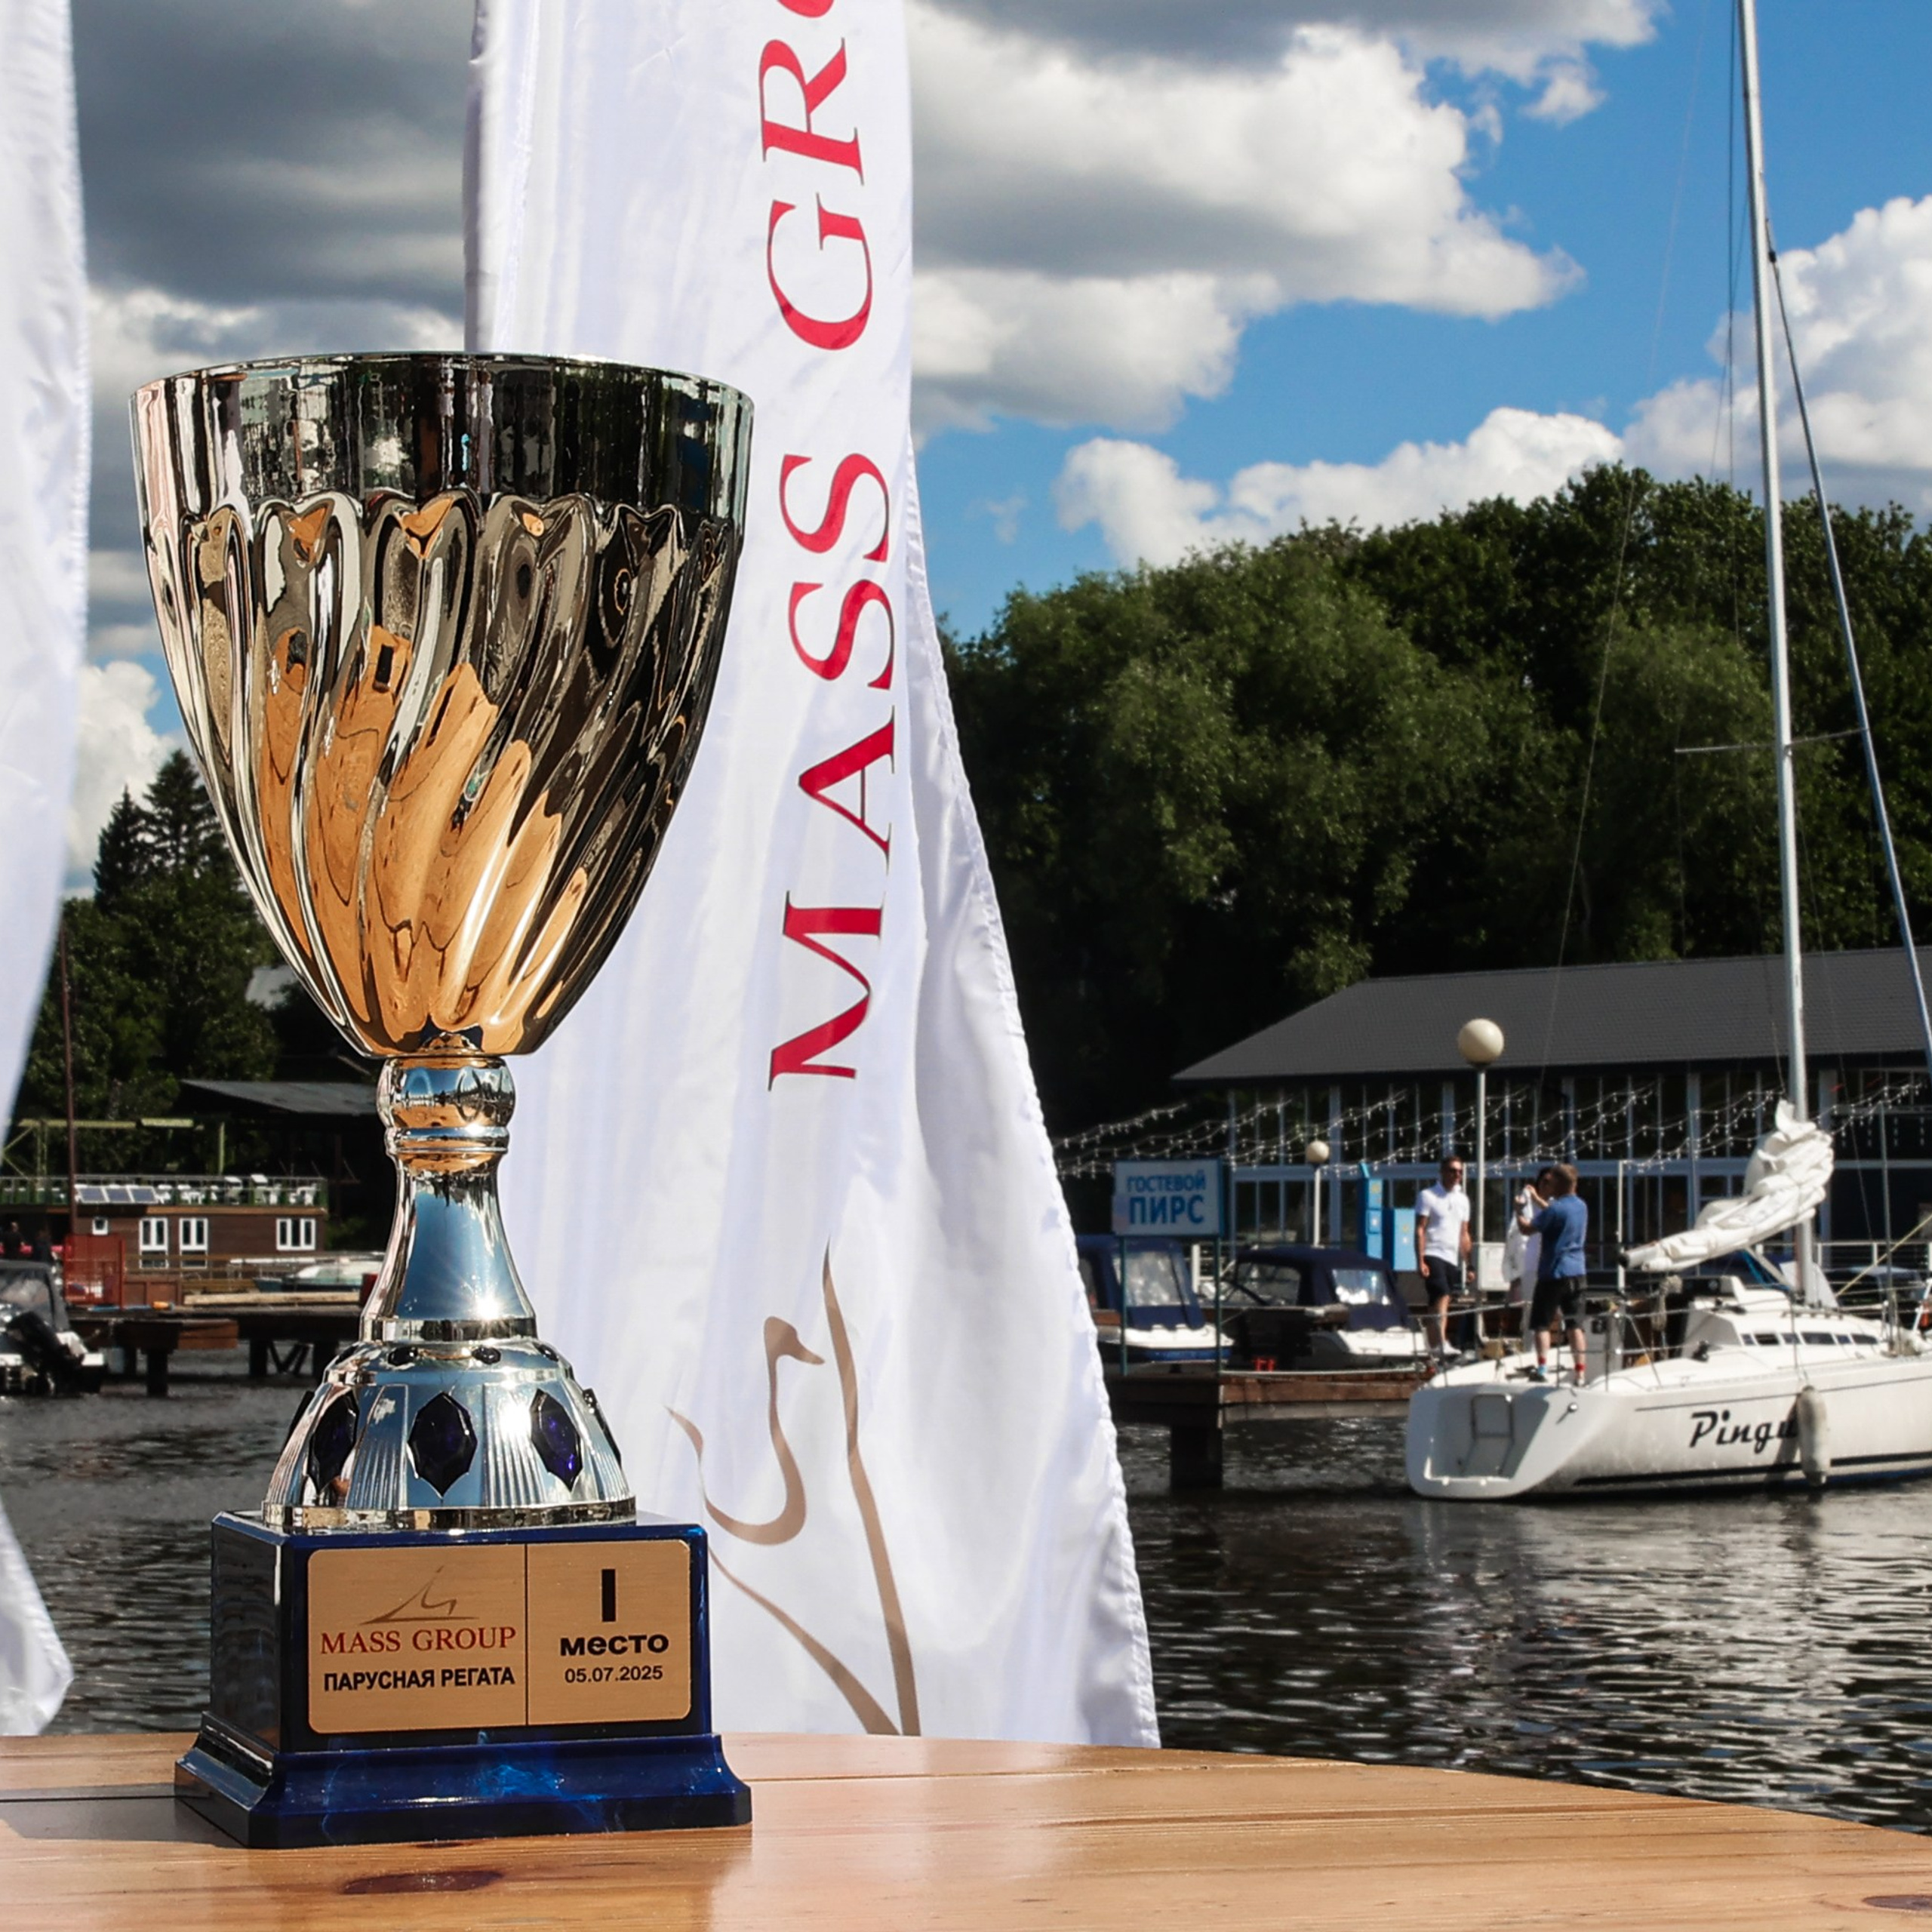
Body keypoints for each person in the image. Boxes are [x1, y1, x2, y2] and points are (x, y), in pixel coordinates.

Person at [1521, 1162, 1589, 1383]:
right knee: (1574, 1325)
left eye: (1550, 1182)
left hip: (1553, 1272)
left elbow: (1527, 1229)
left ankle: (1542, 1369)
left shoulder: (1555, 1209)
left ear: (1557, 1183)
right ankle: (1580, 1371)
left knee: (1542, 1323)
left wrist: (1518, 1208)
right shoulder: (1581, 1206)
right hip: (1578, 1271)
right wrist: (1538, 1200)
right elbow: (1551, 1214)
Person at [1415, 1157, 1472, 1361]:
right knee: (1443, 1294)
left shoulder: (1463, 1199)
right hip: (1433, 1252)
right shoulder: (1428, 1196)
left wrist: (1469, 1263)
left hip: (1451, 1256)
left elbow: (1464, 1233)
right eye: (1452, 1171)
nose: (1456, 1175)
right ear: (1442, 1171)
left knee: (1436, 1302)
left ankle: (1432, 1350)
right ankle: (1440, 1342)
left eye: (1459, 1172)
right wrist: (1420, 1259)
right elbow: (1420, 1228)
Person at [1503, 1166, 1557, 1345]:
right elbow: (1517, 1233)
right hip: (1531, 1265)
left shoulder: (1556, 1204)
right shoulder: (1528, 1203)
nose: (1547, 1186)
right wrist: (1514, 1272)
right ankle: (1529, 1350)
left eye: (1551, 1182)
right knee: (1530, 1312)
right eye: (1544, 1182)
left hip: (1552, 1267)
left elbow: (1553, 1215)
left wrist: (1535, 1198)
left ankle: (1549, 1352)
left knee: (1551, 1313)